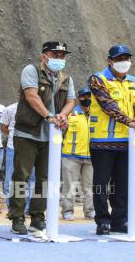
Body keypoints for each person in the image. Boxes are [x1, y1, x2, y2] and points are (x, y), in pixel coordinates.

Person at [10, 41, 75, 235]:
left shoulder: (65, 79)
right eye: (55, 54)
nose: (59, 59)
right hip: (28, 133)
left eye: (62, 56)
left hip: (52, 137)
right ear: (44, 56)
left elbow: (71, 101)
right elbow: (31, 96)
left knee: (45, 178)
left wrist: (62, 115)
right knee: (21, 176)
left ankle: (37, 216)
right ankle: (17, 217)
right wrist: (49, 116)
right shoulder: (31, 71)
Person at [88, 44, 135, 235]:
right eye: (119, 59)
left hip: (127, 142)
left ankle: (120, 221)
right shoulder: (98, 79)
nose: (124, 62)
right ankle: (102, 221)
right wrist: (132, 122)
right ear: (110, 61)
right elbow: (108, 106)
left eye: (127, 59)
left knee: (123, 184)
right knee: (101, 183)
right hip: (102, 141)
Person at [60, 88, 94, 221]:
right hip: (71, 156)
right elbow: (61, 132)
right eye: (83, 96)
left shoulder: (97, 114)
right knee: (69, 186)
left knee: (90, 187)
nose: (87, 99)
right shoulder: (70, 114)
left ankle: (90, 211)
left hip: (91, 157)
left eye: (89, 96)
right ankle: (67, 211)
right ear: (78, 98)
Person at [0, 101, 35, 215]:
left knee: (31, 180)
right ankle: (12, 209)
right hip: (13, 148)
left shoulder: (38, 109)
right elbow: (4, 127)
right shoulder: (9, 109)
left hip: (32, 148)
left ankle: (27, 209)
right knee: (10, 179)